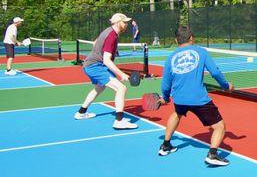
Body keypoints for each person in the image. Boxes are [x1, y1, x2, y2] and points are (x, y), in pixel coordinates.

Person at [157, 25, 234, 166]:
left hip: (179, 98)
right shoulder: (201, 52)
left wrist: (165, 97)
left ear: (176, 40)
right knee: (220, 126)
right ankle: (212, 154)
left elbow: (165, 83)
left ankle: (165, 145)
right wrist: (226, 86)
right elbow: (215, 72)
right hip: (199, 99)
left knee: (177, 113)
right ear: (191, 38)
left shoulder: (171, 57)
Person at [74, 13, 138, 129]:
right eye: (124, 22)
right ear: (118, 22)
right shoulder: (111, 36)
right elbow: (107, 60)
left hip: (92, 64)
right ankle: (119, 121)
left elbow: (96, 42)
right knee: (121, 88)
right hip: (95, 66)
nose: (126, 24)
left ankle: (81, 112)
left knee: (99, 87)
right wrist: (122, 74)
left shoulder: (109, 31)